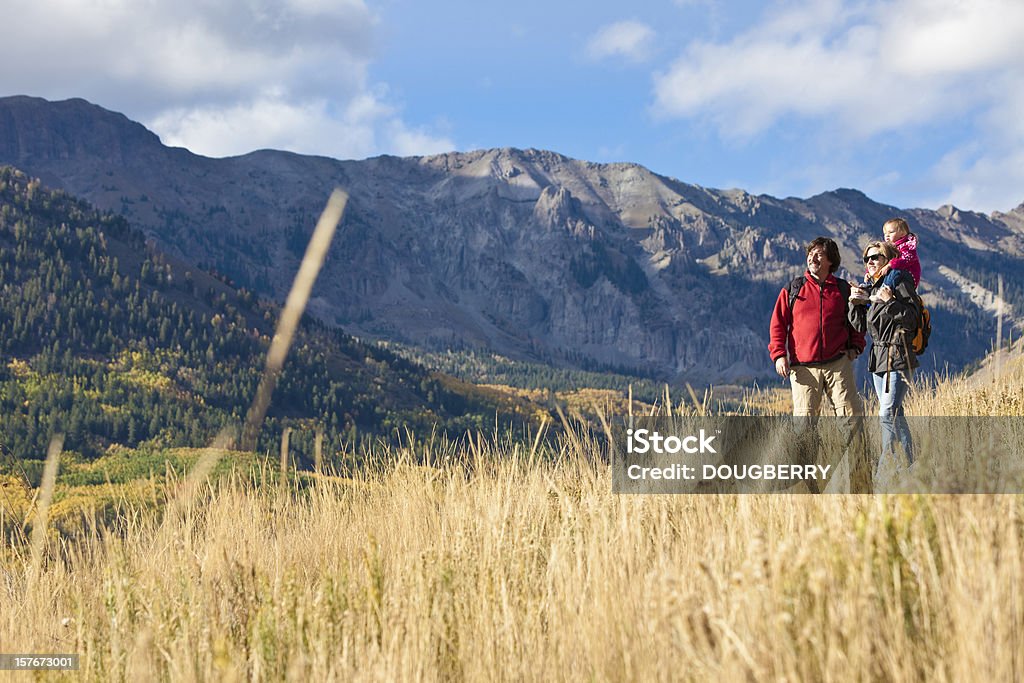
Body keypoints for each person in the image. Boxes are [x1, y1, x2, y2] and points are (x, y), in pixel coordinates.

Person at [769, 237, 865, 417]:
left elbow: (857, 321)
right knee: (804, 425)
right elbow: (778, 324)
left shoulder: (842, 289)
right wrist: (779, 355)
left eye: (819, 254)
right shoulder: (793, 289)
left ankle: (856, 448)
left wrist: (856, 347)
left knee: (852, 418)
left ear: (831, 260)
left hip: (838, 364)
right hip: (803, 367)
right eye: (810, 254)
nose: (812, 258)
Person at [848, 241, 920, 480]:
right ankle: (909, 465)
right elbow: (860, 326)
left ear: (888, 259)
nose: (869, 262)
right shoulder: (874, 286)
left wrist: (890, 301)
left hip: (898, 354)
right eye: (867, 258)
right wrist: (855, 303)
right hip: (878, 359)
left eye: (875, 257)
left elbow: (912, 318)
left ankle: (883, 471)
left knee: (887, 413)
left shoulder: (899, 280)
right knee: (895, 415)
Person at [874, 217, 921, 289]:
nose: (887, 235)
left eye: (891, 232)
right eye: (885, 233)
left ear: (902, 233)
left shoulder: (907, 246)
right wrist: (870, 272)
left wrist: (890, 265)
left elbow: (907, 258)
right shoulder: (890, 248)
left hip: (908, 276)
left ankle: (884, 290)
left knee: (895, 271)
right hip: (895, 277)